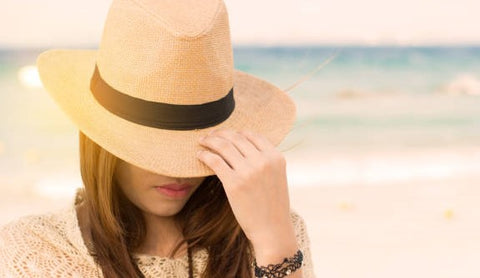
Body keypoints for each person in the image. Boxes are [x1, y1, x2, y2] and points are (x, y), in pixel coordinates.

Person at [0, 0, 315, 277]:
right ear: (102, 142)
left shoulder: (277, 231)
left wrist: (276, 248)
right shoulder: (37, 247)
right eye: (154, 146)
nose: (178, 171)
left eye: (197, 144)